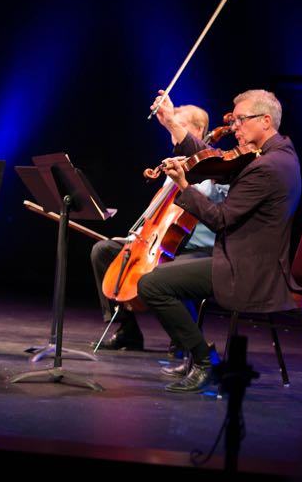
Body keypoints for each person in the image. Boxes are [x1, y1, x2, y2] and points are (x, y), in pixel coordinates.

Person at [137, 89, 302, 392]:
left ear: (266, 121)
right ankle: (201, 356)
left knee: (152, 284)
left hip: (249, 271)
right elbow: (214, 162)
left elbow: (220, 219)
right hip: (245, 259)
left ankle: (204, 360)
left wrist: (184, 186)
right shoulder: (273, 155)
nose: (234, 127)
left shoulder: (266, 168)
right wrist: (173, 123)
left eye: (241, 120)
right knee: (160, 274)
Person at [91, 105, 228, 351]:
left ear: (197, 130)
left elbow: (214, 202)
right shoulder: (173, 164)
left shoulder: (218, 165)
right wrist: (135, 236)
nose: (174, 132)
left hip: (198, 248)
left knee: (165, 271)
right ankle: (127, 331)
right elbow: (159, 214)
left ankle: (185, 339)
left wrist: (188, 178)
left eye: (180, 125)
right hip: (159, 242)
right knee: (103, 250)